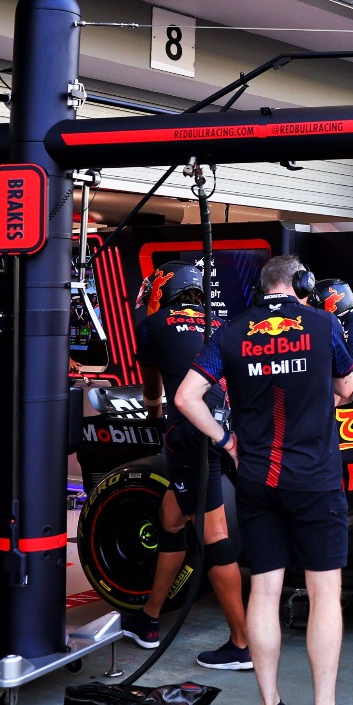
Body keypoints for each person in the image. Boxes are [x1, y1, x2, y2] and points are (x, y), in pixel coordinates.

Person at [178, 255, 353, 705]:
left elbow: (185, 397)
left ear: (262, 287)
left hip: (257, 478)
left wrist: (227, 441)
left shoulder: (232, 331)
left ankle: (270, 701)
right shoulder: (322, 324)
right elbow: (346, 388)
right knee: (324, 594)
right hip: (315, 479)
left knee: (265, 589)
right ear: (301, 281)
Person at [122, 261, 251, 669]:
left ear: (163, 288)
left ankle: (242, 644)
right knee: (170, 516)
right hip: (230, 428)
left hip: (193, 436)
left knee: (214, 537)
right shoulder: (222, 322)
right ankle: (149, 619)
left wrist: (154, 409)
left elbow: (152, 387)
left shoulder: (154, 324)